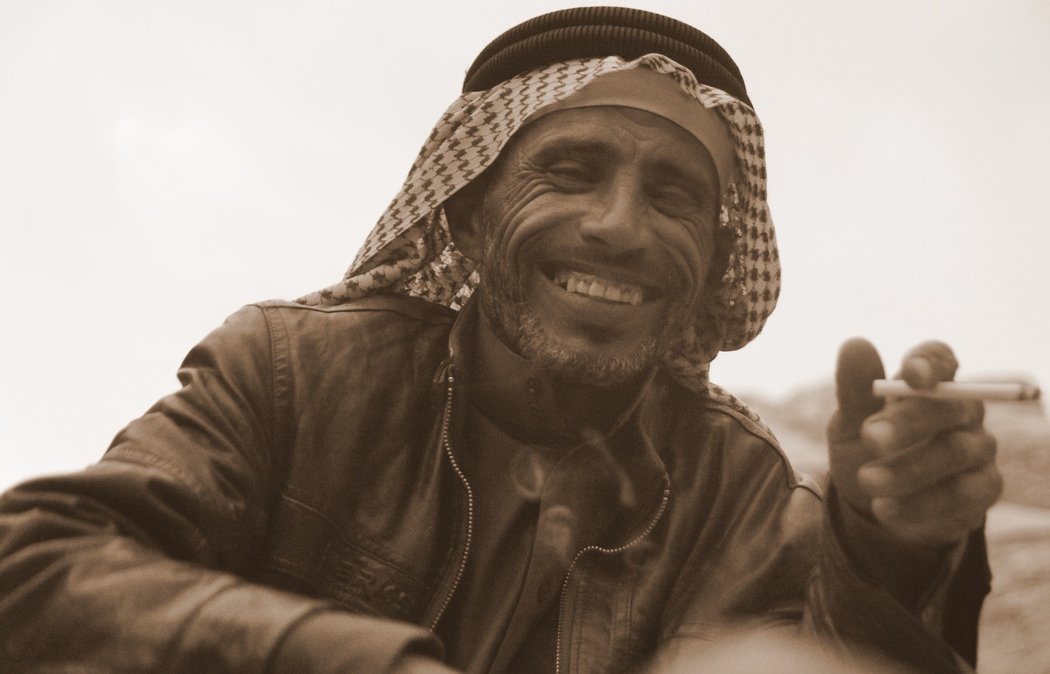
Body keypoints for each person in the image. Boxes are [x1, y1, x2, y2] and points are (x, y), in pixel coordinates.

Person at [0, 7, 1001, 673]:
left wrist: (889, 558)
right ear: (471, 212)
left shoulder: (737, 486)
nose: (620, 225)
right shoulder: (291, 370)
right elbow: (34, 565)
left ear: (711, 256)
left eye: (674, 196)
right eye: (571, 169)